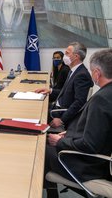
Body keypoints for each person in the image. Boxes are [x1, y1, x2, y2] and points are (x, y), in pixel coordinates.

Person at [44, 48, 112, 198]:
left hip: (90, 165)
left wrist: (61, 141)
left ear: (97, 73)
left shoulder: (102, 100)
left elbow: (90, 145)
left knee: (38, 153)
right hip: (100, 157)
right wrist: (68, 134)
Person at [35, 42, 93, 129]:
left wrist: (62, 120)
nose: (64, 56)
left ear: (76, 56)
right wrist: (50, 90)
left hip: (61, 112)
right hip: (58, 107)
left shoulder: (81, 75)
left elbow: (79, 103)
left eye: (67, 53)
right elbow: (66, 92)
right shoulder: (73, 71)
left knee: (34, 114)